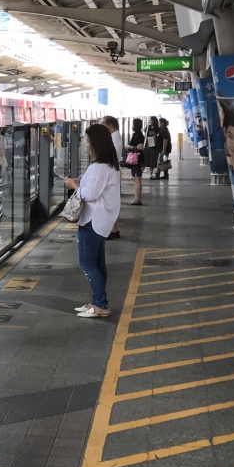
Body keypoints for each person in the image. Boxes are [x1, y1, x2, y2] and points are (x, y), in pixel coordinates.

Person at [64, 123, 121, 320]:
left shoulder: (99, 167)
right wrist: (81, 183)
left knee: (87, 263)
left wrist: (74, 186)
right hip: (102, 219)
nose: (87, 145)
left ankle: (101, 305)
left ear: (97, 144)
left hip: (93, 220)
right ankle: (97, 301)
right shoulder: (110, 165)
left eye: (89, 142)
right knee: (97, 263)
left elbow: (90, 194)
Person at [101, 115, 123, 239]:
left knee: (109, 203)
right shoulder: (114, 137)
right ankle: (114, 230)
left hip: (111, 174)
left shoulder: (114, 139)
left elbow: (110, 158)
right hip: (113, 173)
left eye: (103, 124)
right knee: (111, 202)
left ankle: (112, 230)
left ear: (110, 125)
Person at [125, 117, 145, 204]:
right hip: (136, 159)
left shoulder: (139, 135)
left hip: (137, 159)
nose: (132, 126)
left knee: (137, 178)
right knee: (136, 178)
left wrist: (129, 147)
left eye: (133, 124)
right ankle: (137, 198)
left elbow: (140, 147)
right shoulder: (137, 134)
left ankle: (137, 199)